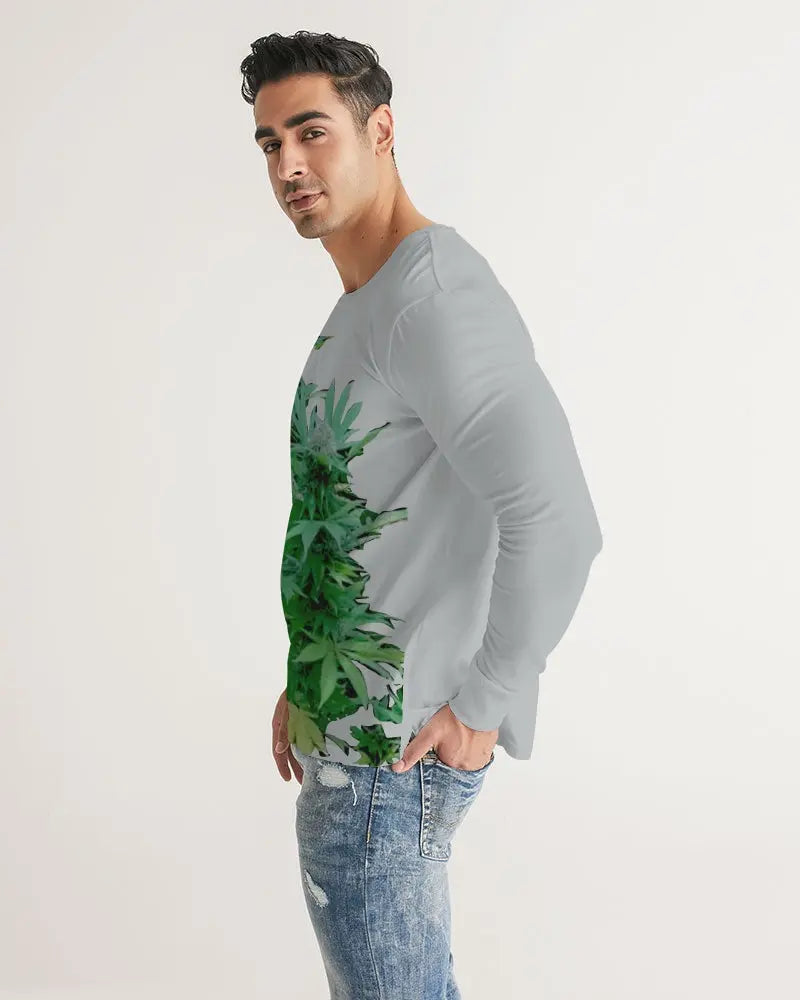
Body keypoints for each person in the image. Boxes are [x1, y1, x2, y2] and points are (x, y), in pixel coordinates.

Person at [240, 30, 603, 999]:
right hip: (352, 753)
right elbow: (375, 509)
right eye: (270, 143)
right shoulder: (370, 301)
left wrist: (484, 701)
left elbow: (557, 519)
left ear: (381, 130)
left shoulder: (429, 299)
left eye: (311, 132)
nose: (288, 165)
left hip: (384, 773)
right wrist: (311, 675)